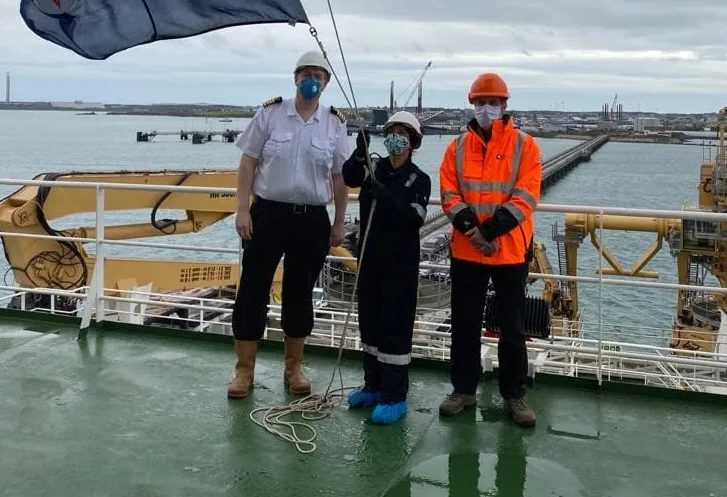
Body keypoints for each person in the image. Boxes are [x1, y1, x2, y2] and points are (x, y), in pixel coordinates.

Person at [226, 50, 353, 399]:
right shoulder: (270, 113)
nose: (312, 80)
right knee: (252, 289)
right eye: (306, 73)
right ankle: (243, 371)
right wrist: (242, 209)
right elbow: (247, 164)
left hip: (311, 218)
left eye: (319, 75)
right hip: (267, 213)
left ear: (326, 83)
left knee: (299, 294)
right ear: (295, 78)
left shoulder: (334, 123)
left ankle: (293, 367)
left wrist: (340, 221)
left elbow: (340, 177)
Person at [437, 72, 542, 427]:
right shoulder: (456, 148)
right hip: (468, 251)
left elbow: (526, 195)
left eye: (492, 102)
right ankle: (462, 390)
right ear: (472, 105)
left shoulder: (525, 145)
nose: (486, 108)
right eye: (481, 103)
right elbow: (449, 195)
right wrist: (474, 232)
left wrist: (489, 231)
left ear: (504, 105)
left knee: (512, 327)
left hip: (510, 250)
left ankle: (514, 395)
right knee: (464, 324)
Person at [341, 111, 432, 424]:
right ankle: (373, 385)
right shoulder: (374, 168)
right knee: (370, 321)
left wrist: (385, 195)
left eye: (402, 132)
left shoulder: (419, 179)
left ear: (412, 141)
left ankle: (395, 394)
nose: (395, 137)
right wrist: (358, 153)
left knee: (394, 325)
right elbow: (350, 176)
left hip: (399, 264)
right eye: (391, 131)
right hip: (369, 258)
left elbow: (413, 218)